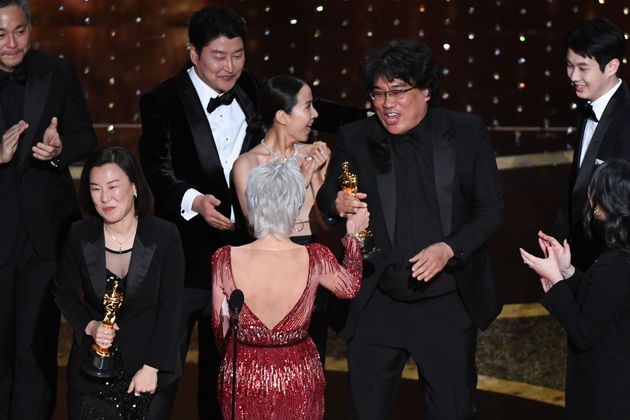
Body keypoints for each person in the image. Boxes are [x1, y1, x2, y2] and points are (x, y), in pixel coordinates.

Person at [138, 5, 366, 417]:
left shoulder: (249, 86)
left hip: (247, 261)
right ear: (194, 53)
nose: (230, 67)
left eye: (238, 55)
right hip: (188, 258)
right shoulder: (161, 100)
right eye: (219, 57)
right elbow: (157, 169)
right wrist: (194, 201)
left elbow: (307, 107)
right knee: (164, 370)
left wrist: (369, 116)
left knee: (229, 375)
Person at [316, 40, 503, 419]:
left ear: (426, 90)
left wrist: (449, 248)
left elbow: (491, 209)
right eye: (378, 93)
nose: (387, 104)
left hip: (447, 305)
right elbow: (330, 193)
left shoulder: (465, 132)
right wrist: (336, 203)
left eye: (398, 92)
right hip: (377, 304)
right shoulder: (356, 137)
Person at [212, 160, 368, 419]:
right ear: (296, 204)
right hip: (298, 375)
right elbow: (350, 287)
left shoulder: (225, 258)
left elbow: (221, 329)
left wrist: (240, 359)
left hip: (242, 375)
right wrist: (353, 236)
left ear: (253, 202)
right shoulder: (316, 257)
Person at [0, 0, 96, 418]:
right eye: (0, 34)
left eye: (20, 31)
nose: (12, 42)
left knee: (36, 350)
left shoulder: (57, 71)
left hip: (45, 238)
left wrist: (60, 151)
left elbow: (85, 136)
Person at [54, 147, 184, 420]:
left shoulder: (164, 235)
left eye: (113, 186)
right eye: (96, 189)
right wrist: (90, 326)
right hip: (92, 372)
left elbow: (171, 308)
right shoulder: (79, 234)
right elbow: (64, 292)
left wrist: (152, 367)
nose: (105, 198)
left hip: (148, 372)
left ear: (134, 187)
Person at [232, 74, 332, 362]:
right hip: (267, 276)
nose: (315, 114)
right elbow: (257, 228)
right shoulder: (248, 164)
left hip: (310, 272)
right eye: (308, 106)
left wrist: (317, 178)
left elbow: (326, 225)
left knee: (310, 366)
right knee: (268, 365)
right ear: (282, 116)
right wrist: (300, 181)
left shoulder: (314, 155)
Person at [521, 159, 630, 420]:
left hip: (604, 396)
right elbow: (604, 302)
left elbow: (584, 333)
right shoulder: (620, 257)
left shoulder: (613, 265)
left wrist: (555, 282)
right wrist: (568, 271)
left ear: (603, 206)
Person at [553, 18, 630, 272]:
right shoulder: (587, 108)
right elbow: (577, 184)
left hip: (613, 266)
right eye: (569, 65)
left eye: (582, 68)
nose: (573, 76)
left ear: (612, 67)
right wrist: (559, 243)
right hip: (578, 260)